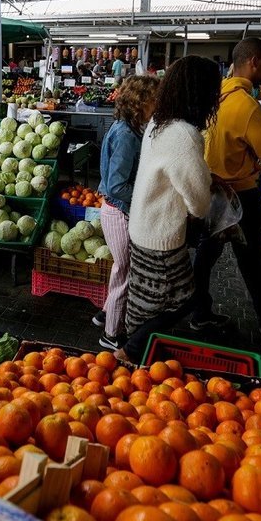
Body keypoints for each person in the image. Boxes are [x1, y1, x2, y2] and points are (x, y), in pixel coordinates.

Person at [114, 56, 222, 363]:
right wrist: (207, 185)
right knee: (180, 300)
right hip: (161, 235)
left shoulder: (157, 123)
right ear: (201, 92)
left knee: (146, 299)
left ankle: (130, 350)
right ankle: (128, 353)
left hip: (143, 225)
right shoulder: (184, 135)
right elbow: (199, 204)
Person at [191, 37, 261, 332]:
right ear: (253, 61)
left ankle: (199, 312)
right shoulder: (247, 105)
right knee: (252, 260)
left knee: (204, 258)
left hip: (213, 192)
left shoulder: (217, 95)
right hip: (242, 196)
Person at [94, 75, 161, 351]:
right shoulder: (125, 136)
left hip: (113, 210)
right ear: (140, 102)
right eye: (154, 100)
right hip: (118, 212)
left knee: (120, 269)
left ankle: (104, 314)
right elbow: (117, 185)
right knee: (125, 271)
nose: (157, 105)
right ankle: (111, 335)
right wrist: (148, 194)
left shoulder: (127, 128)